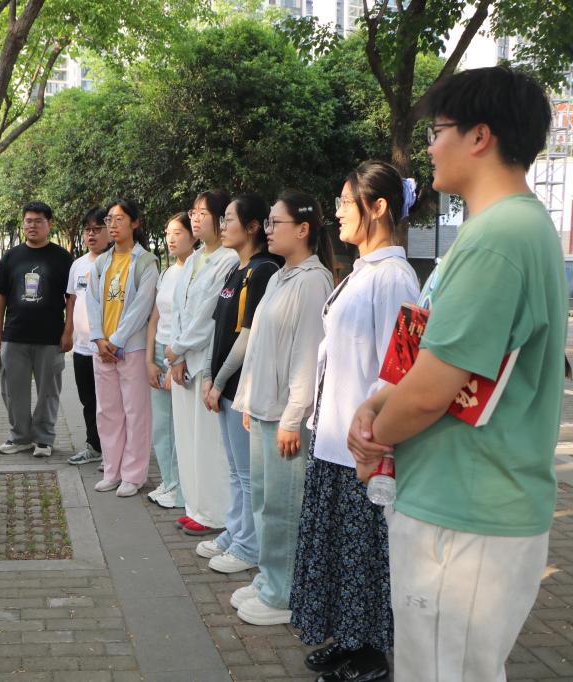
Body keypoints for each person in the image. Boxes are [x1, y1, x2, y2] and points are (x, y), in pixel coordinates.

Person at [348, 67, 565, 681]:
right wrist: (375, 407)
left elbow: (430, 392)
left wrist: (371, 435)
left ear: (479, 136)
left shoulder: (497, 239)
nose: (430, 147)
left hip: (465, 514)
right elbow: (422, 357)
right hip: (462, 503)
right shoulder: (506, 229)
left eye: (437, 131)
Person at [289, 162, 419, 682]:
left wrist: (376, 438)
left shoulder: (394, 277)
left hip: (363, 447)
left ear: (378, 207)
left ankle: (371, 655)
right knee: (340, 551)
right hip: (334, 438)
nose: (338, 212)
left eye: (346, 202)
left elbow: (399, 368)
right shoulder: (363, 271)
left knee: (364, 554)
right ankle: (347, 639)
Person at [231, 190, 334, 626]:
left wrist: (293, 418)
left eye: (277, 223)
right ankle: (269, 577)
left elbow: (307, 358)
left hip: (286, 417)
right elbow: (259, 346)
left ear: (303, 229)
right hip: (264, 408)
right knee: (264, 502)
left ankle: (284, 592)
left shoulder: (313, 281)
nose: (269, 230)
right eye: (269, 222)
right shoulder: (279, 276)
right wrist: (248, 400)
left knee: (284, 507)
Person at [196, 194, 281, 574]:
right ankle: (235, 532)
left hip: (241, 388)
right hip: (222, 384)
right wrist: (209, 377)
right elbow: (219, 330)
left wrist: (219, 382)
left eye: (229, 219)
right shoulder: (236, 269)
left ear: (252, 227)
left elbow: (247, 338)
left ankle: (248, 546)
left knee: (247, 475)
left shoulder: (263, 271)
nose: (223, 225)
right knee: (235, 470)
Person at [167, 190, 239, 535]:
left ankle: (214, 513)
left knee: (208, 441)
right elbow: (179, 309)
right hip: (182, 359)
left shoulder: (228, 259)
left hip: (205, 358)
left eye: (202, 213)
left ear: (221, 219)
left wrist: (179, 348)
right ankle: (194, 505)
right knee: (187, 437)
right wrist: (176, 353)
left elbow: (208, 314)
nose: (195, 219)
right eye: (193, 212)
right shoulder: (194, 257)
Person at [85, 199, 159, 497]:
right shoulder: (101, 262)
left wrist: (115, 340)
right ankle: (112, 470)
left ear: (135, 223)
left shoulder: (146, 262)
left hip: (132, 348)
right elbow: (92, 302)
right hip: (103, 350)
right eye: (109, 220)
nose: (112, 225)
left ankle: (133, 474)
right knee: (107, 412)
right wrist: (99, 338)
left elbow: (142, 307)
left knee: (135, 412)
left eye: (119, 219)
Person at [0, 201, 74, 459]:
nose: (32, 225)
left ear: (49, 224)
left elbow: (71, 298)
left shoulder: (62, 258)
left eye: (38, 221)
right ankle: (20, 437)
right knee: (13, 390)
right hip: (14, 336)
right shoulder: (11, 257)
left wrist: (68, 331)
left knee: (48, 392)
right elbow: (0, 295)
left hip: (50, 337)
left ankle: (44, 439)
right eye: (28, 221)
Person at [145, 213, 195, 509]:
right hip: (160, 351)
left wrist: (175, 359)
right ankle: (168, 480)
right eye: (168, 233)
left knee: (180, 427)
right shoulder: (166, 273)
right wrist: (150, 360)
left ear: (193, 235)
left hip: (179, 356)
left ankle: (181, 488)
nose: (171, 239)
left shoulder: (197, 270)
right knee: (162, 427)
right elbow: (155, 318)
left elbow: (190, 321)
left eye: (178, 232)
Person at [67, 208, 113, 467]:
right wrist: (68, 333)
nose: (91, 235)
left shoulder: (115, 263)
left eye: (97, 229)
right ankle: (94, 446)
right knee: (88, 401)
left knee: (109, 403)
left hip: (106, 347)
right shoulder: (78, 264)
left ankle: (113, 452)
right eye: (87, 230)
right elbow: (72, 301)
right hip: (82, 347)